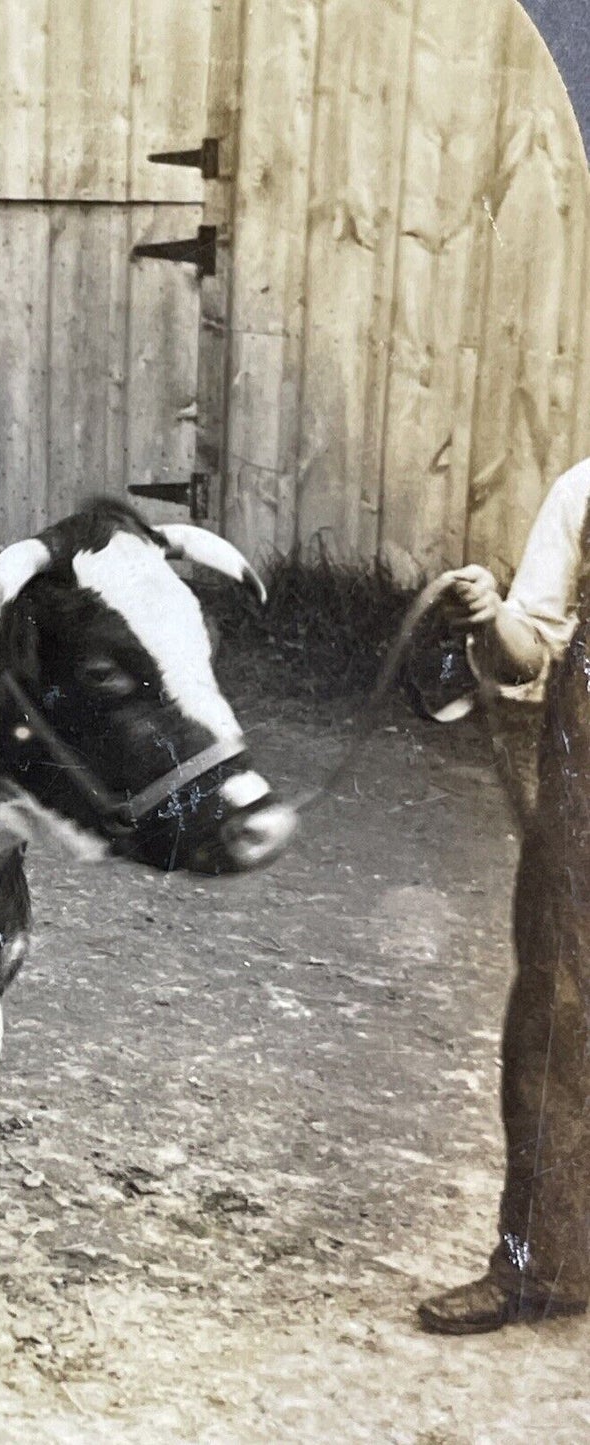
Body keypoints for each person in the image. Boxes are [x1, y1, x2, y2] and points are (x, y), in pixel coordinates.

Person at [418, 456, 590, 1334]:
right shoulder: (583, 489)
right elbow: (531, 645)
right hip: (583, 802)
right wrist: (491, 616)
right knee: (551, 1027)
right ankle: (540, 1264)